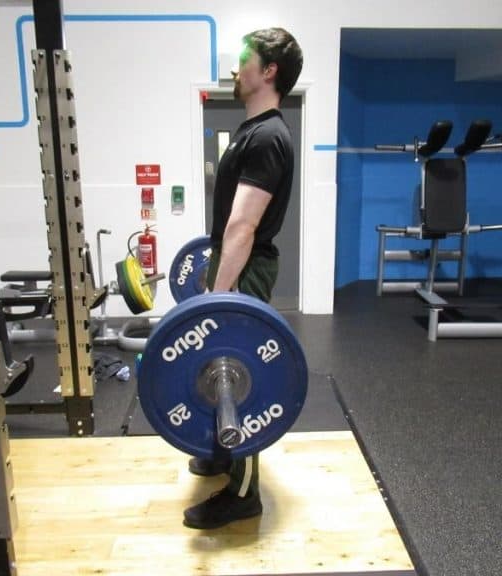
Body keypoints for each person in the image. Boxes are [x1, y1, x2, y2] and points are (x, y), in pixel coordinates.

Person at [183, 28, 303, 530]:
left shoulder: (269, 137)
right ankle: (220, 453)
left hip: (245, 266)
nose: (236, 70)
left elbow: (244, 225)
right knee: (217, 364)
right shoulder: (254, 130)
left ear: (268, 71)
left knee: (239, 375)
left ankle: (244, 492)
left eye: (243, 61)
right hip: (233, 261)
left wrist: (217, 295)